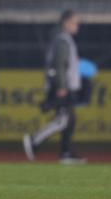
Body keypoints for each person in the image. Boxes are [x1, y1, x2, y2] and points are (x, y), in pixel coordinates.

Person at [23, 10, 86, 164]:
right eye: (75, 22)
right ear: (66, 22)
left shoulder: (63, 39)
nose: (77, 26)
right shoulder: (63, 40)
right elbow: (60, 64)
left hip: (64, 85)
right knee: (64, 120)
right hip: (63, 86)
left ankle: (66, 152)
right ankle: (34, 141)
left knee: (69, 119)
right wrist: (62, 87)